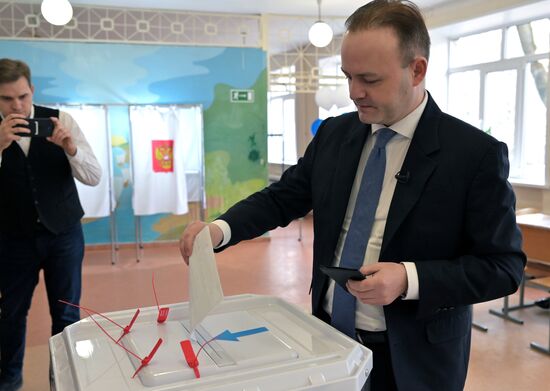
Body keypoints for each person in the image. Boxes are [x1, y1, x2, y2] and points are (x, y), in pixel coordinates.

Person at [179, 1, 526, 390]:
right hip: (329, 343)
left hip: (416, 360)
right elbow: (283, 198)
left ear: (417, 70)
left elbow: (503, 266)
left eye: (369, 79)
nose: (354, 92)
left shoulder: (473, 154)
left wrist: (410, 278)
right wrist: (220, 230)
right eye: (347, 76)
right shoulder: (334, 135)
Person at [0, 58, 102, 391]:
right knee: (11, 315)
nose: (18, 106)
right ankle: (10, 379)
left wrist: (70, 147)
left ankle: (63, 382)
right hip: (12, 239)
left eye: (23, 97)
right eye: (6, 99)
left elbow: (93, 176)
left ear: (32, 91)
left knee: (67, 315)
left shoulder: (61, 120)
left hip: (65, 236)